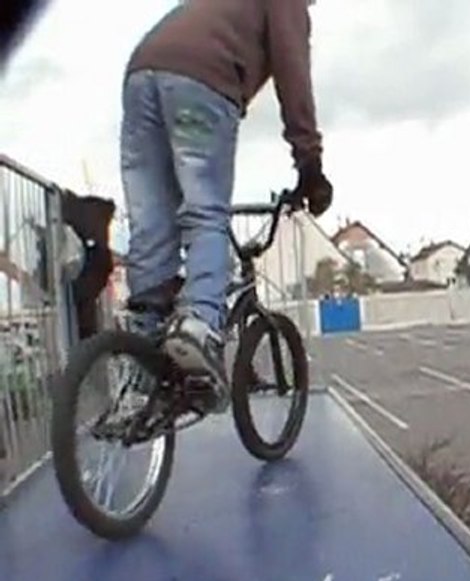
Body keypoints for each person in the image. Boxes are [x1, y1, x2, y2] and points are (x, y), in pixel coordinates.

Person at [120, 0, 333, 412]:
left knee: (151, 222)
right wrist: (310, 165)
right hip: (201, 81)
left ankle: (145, 359)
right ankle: (198, 326)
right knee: (206, 215)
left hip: (140, 74)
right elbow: (294, 77)